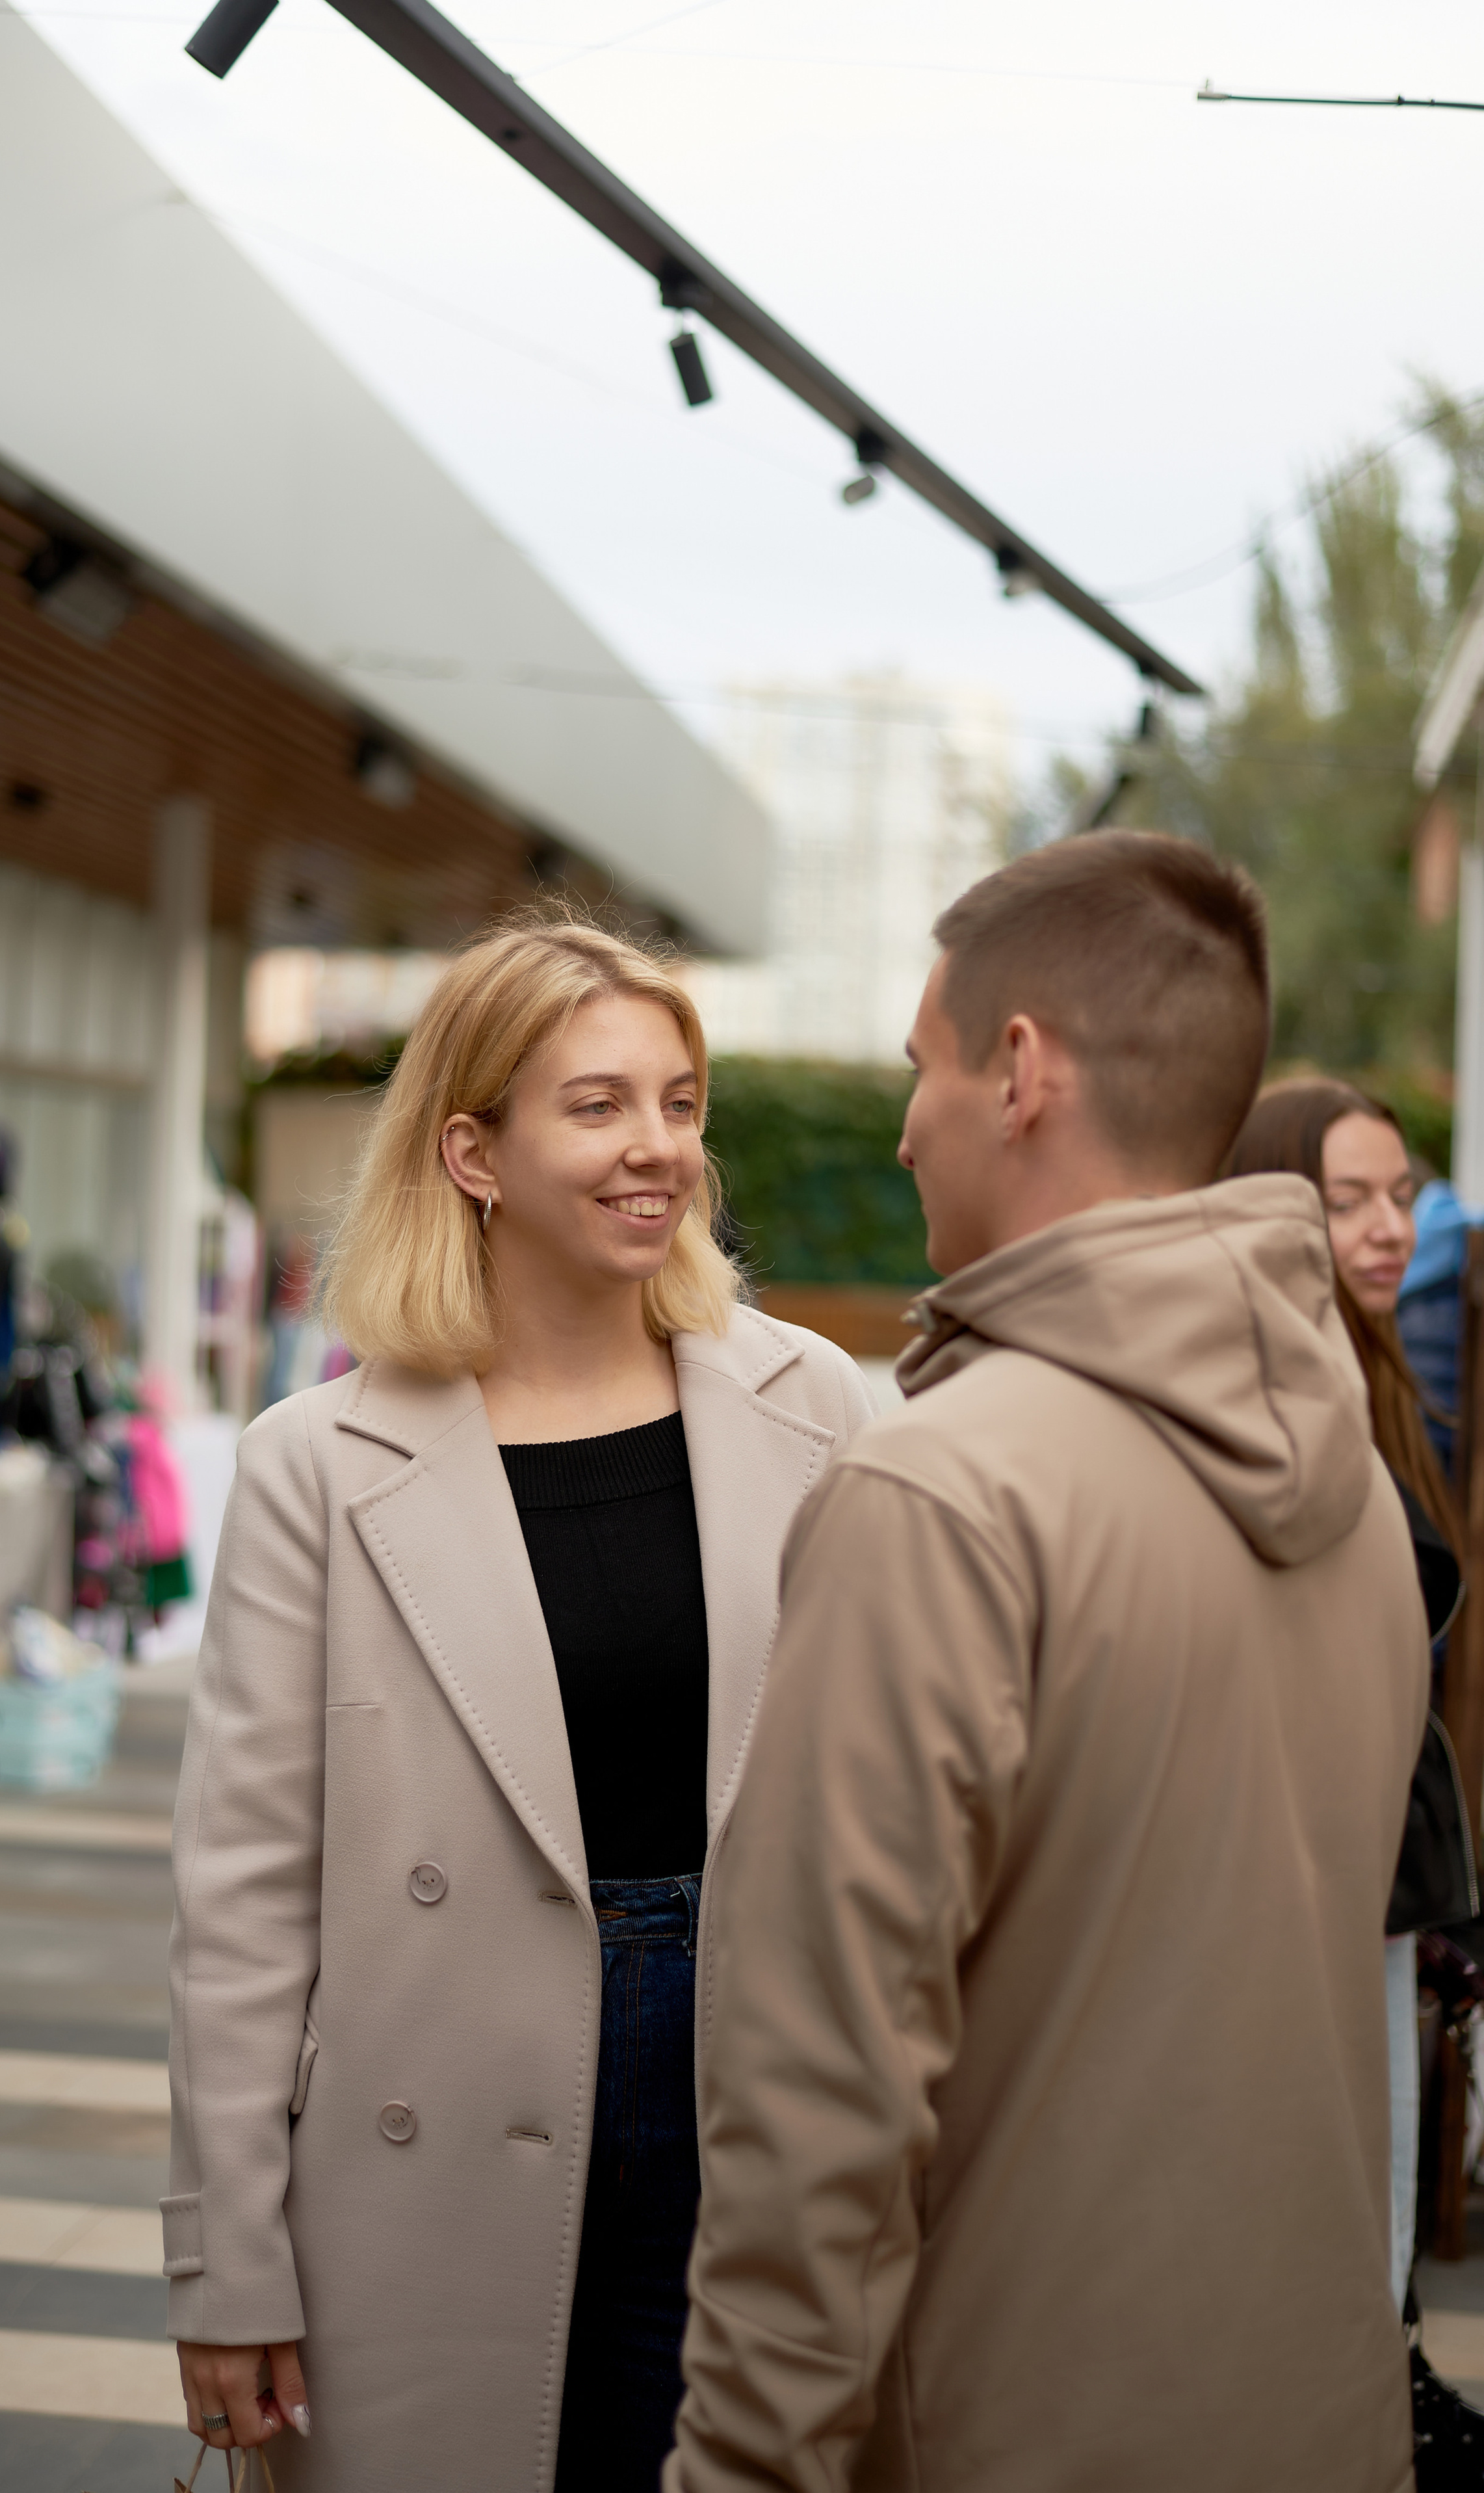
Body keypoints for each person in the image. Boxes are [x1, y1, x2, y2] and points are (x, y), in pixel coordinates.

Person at [664, 832, 1427, 2493]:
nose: (899, 1123)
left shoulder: (935, 1495)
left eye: (919, 1066)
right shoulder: (1357, 1495)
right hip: (1316, 2419)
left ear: (1019, 1073)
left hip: (1005, 2431)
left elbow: (818, 2108)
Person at [164, 914, 874, 2489]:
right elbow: (241, 1897)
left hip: (746, 2091)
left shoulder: (811, 1405)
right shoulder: (317, 1463)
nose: (658, 1151)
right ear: (472, 1150)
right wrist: (226, 2262)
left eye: (680, 1103)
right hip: (425, 2128)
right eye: (600, 1104)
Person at [1225, 1081, 1470, 2316]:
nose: (1390, 1229)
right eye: (1348, 1200)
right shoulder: (1266, 1405)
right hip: (1302, 1907)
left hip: (1377, 1896)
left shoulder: (1368, 1376)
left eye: (1404, 1196)